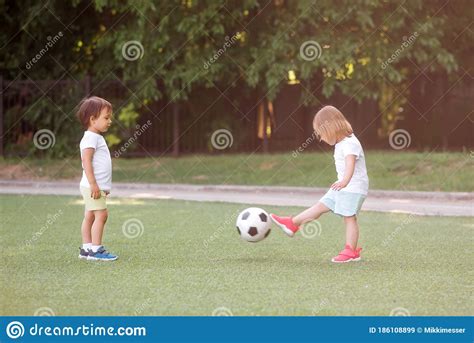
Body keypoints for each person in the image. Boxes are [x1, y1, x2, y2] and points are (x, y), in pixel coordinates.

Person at [271, 105, 369, 263]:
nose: (321, 138)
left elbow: (350, 164)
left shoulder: (350, 143)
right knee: (320, 206)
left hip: (353, 188)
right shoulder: (342, 143)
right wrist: (342, 182)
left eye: (322, 134)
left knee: (349, 217)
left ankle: (351, 251)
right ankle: (292, 224)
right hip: (342, 186)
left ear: (331, 128)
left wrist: (344, 181)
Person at [77, 96, 118, 261]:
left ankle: (86, 249)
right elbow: (86, 160)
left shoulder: (94, 136)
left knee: (90, 216)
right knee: (102, 215)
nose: (109, 121)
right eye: (106, 118)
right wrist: (95, 185)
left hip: (92, 186)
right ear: (93, 119)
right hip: (92, 186)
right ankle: (96, 250)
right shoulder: (91, 137)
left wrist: (102, 186)